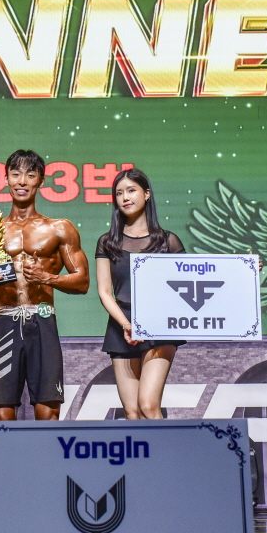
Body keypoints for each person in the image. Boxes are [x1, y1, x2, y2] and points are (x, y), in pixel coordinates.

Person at [0, 150, 89, 421]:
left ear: (41, 181)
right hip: (5, 321)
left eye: (30, 175)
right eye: (16, 174)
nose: (22, 181)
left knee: (48, 408)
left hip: (42, 319)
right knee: (0, 410)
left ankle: (46, 452)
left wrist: (47, 278)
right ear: (6, 179)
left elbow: (82, 282)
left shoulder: (60, 228)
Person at [94, 169, 185, 419]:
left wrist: (245, 268)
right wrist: (126, 325)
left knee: (148, 405)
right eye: (119, 193)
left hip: (160, 325)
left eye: (131, 191)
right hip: (122, 324)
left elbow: (196, 278)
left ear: (146, 194)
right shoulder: (107, 242)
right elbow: (104, 292)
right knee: (132, 412)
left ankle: (164, 448)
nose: (125, 197)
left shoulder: (168, 241)